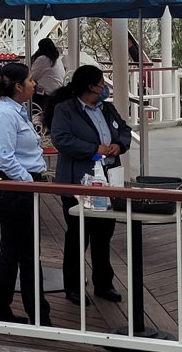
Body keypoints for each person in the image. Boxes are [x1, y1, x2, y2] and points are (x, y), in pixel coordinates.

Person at [45, 65, 131, 304]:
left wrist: (119, 145)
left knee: (104, 233)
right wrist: (94, 149)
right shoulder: (66, 110)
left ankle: (104, 283)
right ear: (91, 86)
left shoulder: (108, 108)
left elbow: (124, 129)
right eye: (102, 83)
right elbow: (61, 139)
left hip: (108, 179)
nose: (105, 87)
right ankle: (72, 286)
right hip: (78, 180)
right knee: (77, 233)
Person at [0, 63, 51, 326]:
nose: (35, 84)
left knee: (16, 252)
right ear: (18, 86)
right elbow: (3, 157)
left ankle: (2, 310)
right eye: (31, 80)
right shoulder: (4, 115)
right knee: (22, 253)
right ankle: (37, 315)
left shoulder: (15, 111)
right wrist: (27, 182)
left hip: (19, 186)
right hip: (15, 188)